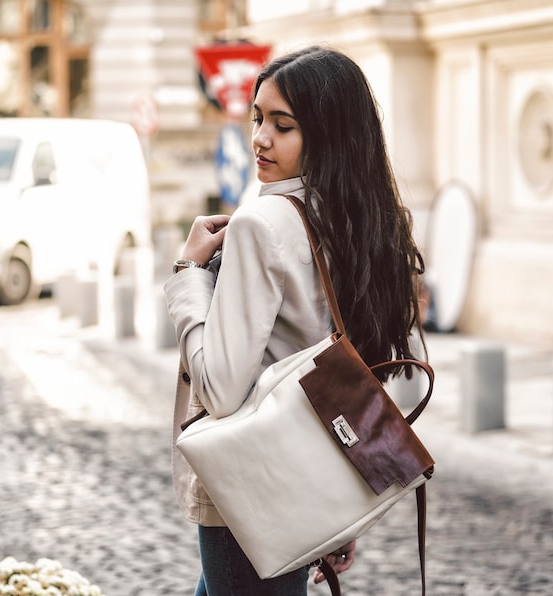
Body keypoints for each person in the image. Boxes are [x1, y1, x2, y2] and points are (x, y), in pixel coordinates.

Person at [165, 45, 426, 596]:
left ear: (327, 135)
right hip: (309, 471)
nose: (259, 138)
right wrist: (339, 493)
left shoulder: (262, 224)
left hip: (252, 481)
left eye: (282, 125)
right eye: (258, 118)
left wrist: (188, 274)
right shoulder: (361, 219)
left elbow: (219, 388)